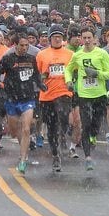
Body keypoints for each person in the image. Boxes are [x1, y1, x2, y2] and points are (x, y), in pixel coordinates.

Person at [0, 32, 46, 175]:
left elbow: (36, 75)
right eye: (22, 45)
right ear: (15, 45)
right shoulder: (8, 59)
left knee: (26, 129)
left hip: (27, 98)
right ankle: (23, 146)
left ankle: (23, 159)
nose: (24, 48)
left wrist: (41, 85)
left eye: (26, 45)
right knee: (14, 131)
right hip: (12, 99)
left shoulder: (31, 59)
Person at [65, 27, 109, 171]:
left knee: (96, 124)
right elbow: (68, 69)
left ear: (94, 39)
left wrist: (96, 74)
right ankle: (88, 158)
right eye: (84, 38)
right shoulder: (77, 55)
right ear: (81, 39)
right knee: (85, 125)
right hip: (84, 95)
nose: (86, 41)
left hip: (99, 94)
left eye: (89, 38)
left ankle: (93, 135)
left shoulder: (102, 54)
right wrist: (68, 81)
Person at [35, 24, 74, 172]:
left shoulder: (70, 54)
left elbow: (75, 71)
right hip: (46, 95)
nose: (57, 39)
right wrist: (41, 80)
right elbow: (37, 74)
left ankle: (63, 133)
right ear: (50, 39)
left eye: (60, 37)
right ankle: (55, 154)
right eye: (54, 37)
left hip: (64, 92)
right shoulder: (42, 54)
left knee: (63, 115)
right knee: (51, 126)